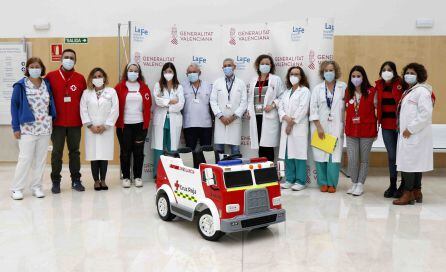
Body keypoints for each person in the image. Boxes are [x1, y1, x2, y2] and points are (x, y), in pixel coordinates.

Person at [10, 57, 56, 200]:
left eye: (38, 66)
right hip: (27, 128)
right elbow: (14, 106)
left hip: (44, 127)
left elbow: (50, 102)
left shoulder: (46, 83)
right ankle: (17, 189)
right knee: (25, 158)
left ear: (42, 69)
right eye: (32, 66)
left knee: (40, 159)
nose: (35, 69)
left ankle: (36, 187)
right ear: (27, 69)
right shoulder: (20, 85)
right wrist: (15, 127)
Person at [46, 49, 87, 193]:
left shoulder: (80, 78)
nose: (68, 60)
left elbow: (85, 101)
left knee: (74, 152)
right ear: (61, 59)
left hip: (75, 123)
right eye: (66, 57)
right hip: (57, 123)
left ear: (75, 61)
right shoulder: (50, 76)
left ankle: (76, 180)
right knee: (57, 152)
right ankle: (55, 181)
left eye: (71, 58)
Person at [394, 63, 434, 205]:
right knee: (415, 164)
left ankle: (408, 193)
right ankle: (417, 192)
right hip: (411, 135)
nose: (408, 75)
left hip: (413, 133)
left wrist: (410, 129)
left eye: (412, 73)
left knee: (409, 164)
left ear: (419, 76)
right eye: (407, 72)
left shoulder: (422, 91)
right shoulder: (410, 91)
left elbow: (426, 114)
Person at [309, 60, 347, 193]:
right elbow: (313, 109)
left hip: (337, 126)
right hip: (321, 127)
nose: (329, 73)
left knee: (334, 157)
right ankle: (323, 182)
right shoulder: (317, 89)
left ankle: (332, 183)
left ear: (335, 72)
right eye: (326, 70)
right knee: (321, 155)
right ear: (322, 73)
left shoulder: (343, 87)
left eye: (331, 70)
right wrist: (318, 126)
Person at [80, 68, 119, 191]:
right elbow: (83, 109)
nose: (98, 78)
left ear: (104, 78)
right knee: (94, 155)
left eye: (100, 76)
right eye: (95, 76)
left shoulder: (111, 92)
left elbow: (115, 109)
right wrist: (90, 125)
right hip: (91, 129)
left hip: (105, 129)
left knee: (104, 155)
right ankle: (96, 181)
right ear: (91, 79)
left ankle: (103, 180)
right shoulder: (86, 93)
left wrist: (106, 125)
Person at [115, 63, 152, 188]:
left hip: (140, 125)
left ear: (139, 73)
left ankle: (137, 177)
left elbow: (148, 105)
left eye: (136, 71)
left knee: (138, 152)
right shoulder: (119, 87)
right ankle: (126, 177)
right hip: (124, 125)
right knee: (125, 152)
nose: (133, 73)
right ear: (126, 71)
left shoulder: (144, 87)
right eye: (130, 70)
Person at [344, 65, 377, 196]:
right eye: (353, 76)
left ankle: (360, 184)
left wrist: (376, 130)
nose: (356, 78)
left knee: (364, 159)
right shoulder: (348, 92)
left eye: (358, 76)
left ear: (363, 77)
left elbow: (377, 110)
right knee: (352, 158)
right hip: (351, 130)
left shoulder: (372, 91)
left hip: (367, 131)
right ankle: (353, 183)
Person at [374, 61, 405, 198]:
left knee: (402, 156)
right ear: (381, 72)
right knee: (392, 156)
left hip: (400, 127)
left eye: (390, 69)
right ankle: (392, 185)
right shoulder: (378, 85)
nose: (387, 72)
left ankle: (404, 185)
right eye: (384, 69)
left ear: (394, 71)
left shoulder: (401, 83)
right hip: (386, 126)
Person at [278, 66, 311, 191]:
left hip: (298, 127)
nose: (294, 76)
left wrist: (291, 124)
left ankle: (300, 181)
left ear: (301, 76)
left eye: (297, 74)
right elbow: (280, 107)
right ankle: (289, 179)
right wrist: (285, 117)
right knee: (288, 154)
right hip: (286, 125)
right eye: (292, 74)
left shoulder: (305, 91)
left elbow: (303, 109)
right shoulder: (286, 92)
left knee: (299, 154)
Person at [247, 54, 284, 161]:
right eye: (262, 63)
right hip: (256, 116)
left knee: (268, 147)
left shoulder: (275, 79)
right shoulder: (254, 80)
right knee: (260, 145)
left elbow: (282, 97)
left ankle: (270, 173)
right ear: (258, 65)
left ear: (271, 65)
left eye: (267, 64)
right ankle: (263, 173)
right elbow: (250, 98)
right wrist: (249, 110)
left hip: (268, 116)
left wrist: (272, 105)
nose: (264, 65)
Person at [152, 62, 185, 178]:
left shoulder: (179, 87)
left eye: (170, 72)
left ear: (174, 73)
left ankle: (171, 175)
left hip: (174, 120)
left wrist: (166, 103)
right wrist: (171, 101)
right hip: (161, 120)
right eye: (166, 72)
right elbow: (157, 101)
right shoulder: (158, 85)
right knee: (159, 148)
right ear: (162, 73)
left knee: (172, 148)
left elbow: (181, 104)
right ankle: (158, 175)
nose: (168, 74)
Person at [210, 58, 247, 155]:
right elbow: (213, 101)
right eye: (225, 66)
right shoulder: (217, 82)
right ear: (222, 68)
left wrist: (234, 117)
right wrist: (220, 116)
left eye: (229, 65)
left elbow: (244, 102)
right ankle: (219, 170)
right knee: (219, 152)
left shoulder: (241, 83)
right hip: (220, 120)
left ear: (234, 67)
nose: (227, 68)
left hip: (235, 120)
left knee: (235, 151)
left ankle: (236, 170)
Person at [182, 63, 213, 151]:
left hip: (206, 124)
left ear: (199, 72)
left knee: (206, 153)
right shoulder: (182, 86)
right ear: (186, 74)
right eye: (189, 72)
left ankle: (205, 166)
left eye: (194, 72)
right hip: (189, 124)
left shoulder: (208, 86)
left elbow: (213, 104)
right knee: (189, 153)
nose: (192, 74)